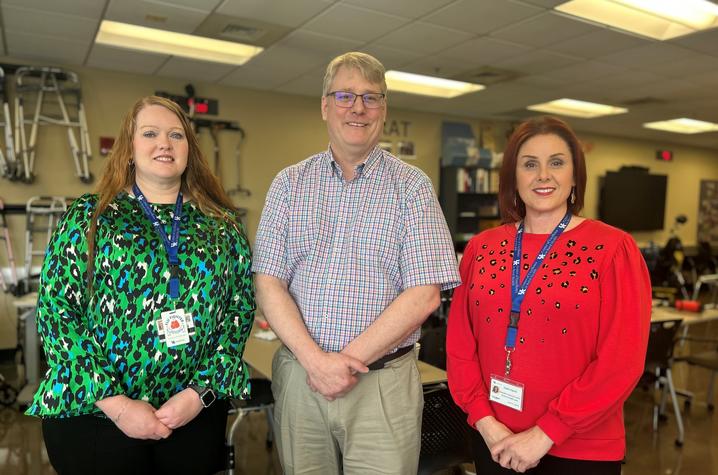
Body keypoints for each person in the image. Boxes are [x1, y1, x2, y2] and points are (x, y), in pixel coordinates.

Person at [253, 51, 460, 474]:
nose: (358, 107)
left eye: (371, 97)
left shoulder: (412, 187)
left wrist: (342, 364)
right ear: (325, 105)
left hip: (382, 385)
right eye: (345, 95)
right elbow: (268, 283)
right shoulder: (289, 184)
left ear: (384, 110)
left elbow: (424, 295)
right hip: (301, 378)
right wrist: (316, 362)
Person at [26, 96, 255, 475]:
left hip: (192, 416)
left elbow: (239, 311)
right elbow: (56, 313)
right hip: (95, 417)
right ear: (129, 149)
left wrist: (199, 395)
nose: (164, 143)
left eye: (176, 135)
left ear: (189, 150)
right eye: (149, 133)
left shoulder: (223, 224)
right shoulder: (90, 216)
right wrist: (117, 405)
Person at [446, 116, 651, 475]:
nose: (543, 175)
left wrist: (546, 433)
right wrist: (483, 420)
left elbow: (622, 360)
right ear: (513, 177)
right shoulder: (481, 248)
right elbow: (460, 346)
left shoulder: (614, 248)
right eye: (530, 164)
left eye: (556, 162)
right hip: (494, 440)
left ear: (574, 175)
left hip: (580, 447)